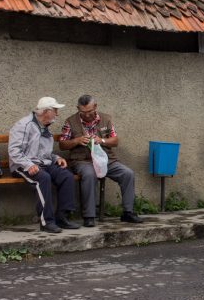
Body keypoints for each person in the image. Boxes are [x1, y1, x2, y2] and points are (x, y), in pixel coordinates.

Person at [59, 95, 143, 227]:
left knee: (127, 174)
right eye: (83, 112)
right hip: (82, 160)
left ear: (95, 107)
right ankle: (89, 216)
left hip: (106, 160)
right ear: (78, 108)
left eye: (90, 111)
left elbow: (115, 141)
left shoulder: (106, 119)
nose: (87, 115)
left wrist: (101, 140)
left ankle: (128, 212)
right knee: (89, 174)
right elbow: (62, 144)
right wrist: (77, 140)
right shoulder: (70, 121)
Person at [8, 97, 81, 233]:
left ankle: (62, 218)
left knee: (66, 175)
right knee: (43, 178)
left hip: (42, 164)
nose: (57, 114)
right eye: (55, 110)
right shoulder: (24, 125)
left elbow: (44, 153)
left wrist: (56, 158)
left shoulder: (44, 127)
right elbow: (14, 151)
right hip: (21, 166)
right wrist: (28, 165)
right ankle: (46, 222)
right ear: (46, 111)